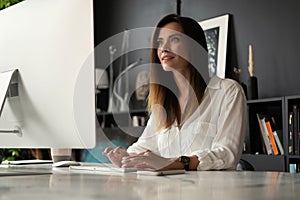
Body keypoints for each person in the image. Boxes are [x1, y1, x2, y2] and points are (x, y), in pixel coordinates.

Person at [103, 14, 247, 171]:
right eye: (160, 42)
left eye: (174, 39)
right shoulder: (163, 103)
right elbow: (143, 146)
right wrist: (125, 158)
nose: (164, 48)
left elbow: (226, 154)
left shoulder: (228, 92)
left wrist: (175, 163)